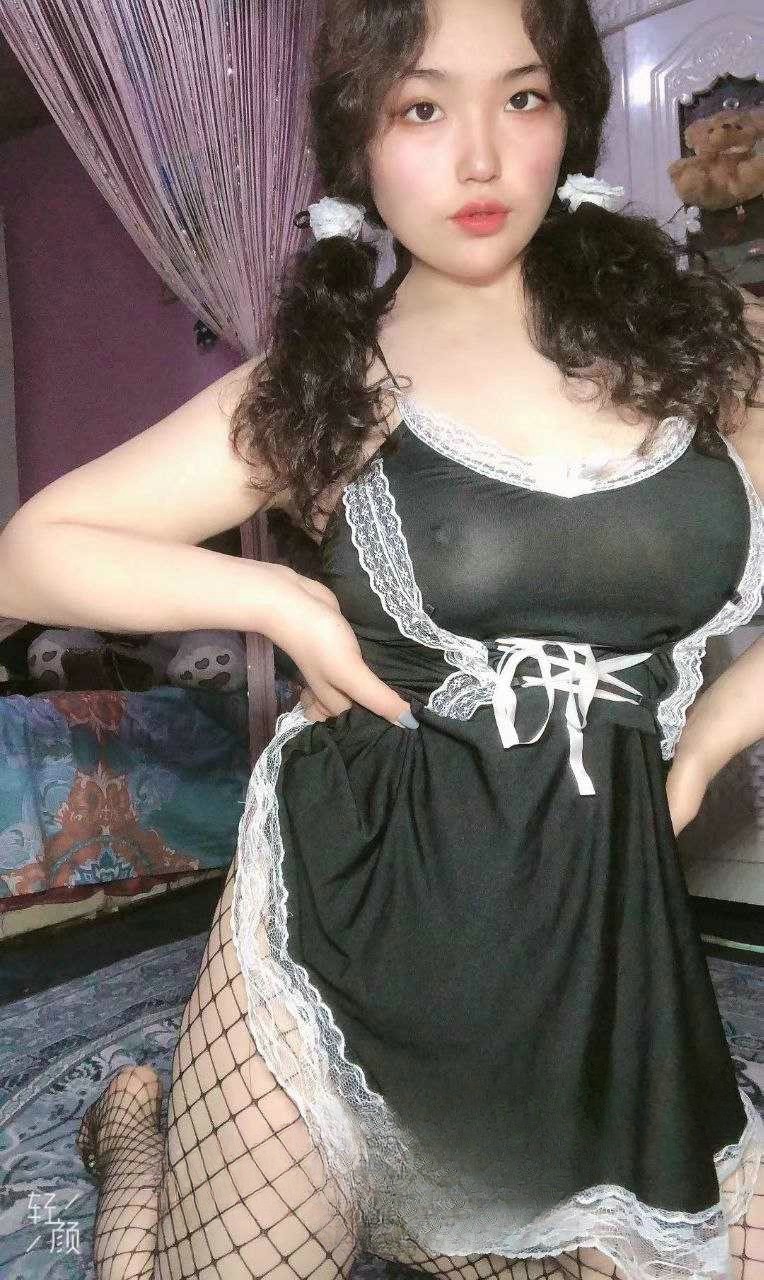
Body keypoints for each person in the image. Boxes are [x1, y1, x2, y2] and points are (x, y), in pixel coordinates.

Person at [1, 0, 763, 1276]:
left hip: (592, 933)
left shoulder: (704, 341)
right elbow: (31, 549)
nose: (479, 155)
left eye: (520, 97)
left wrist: (705, 740)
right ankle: (135, 1132)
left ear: (568, 116)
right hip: (347, 909)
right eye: (420, 107)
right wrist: (276, 597)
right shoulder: (329, 378)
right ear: (358, 138)